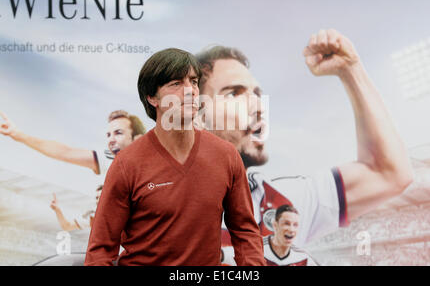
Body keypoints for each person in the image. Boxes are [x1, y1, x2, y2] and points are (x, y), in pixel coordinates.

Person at [195, 29, 414, 264]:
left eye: (257, 94)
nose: (258, 105)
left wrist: (350, 70)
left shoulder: (285, 202)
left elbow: (388, 173)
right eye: (234, 94)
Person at [85, 48, 265, 266]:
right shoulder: (127, 163)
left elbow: (245, 232)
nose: (190, 90)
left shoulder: (227, 156)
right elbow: (100, 250)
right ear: (152, 97)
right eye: (176, 84)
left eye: (194, 81)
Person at [0, 110, 146, 176]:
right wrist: (18, 135)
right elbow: (65, 152)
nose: (111, 139)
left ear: (137, 139)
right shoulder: (110, 160)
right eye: (108, 135)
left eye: (118, 133)